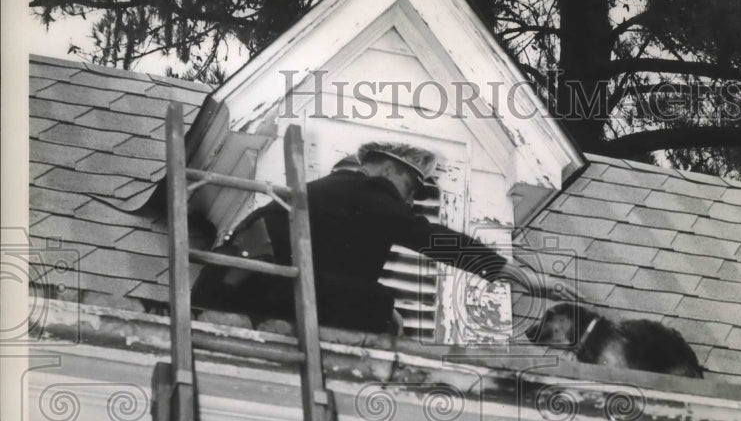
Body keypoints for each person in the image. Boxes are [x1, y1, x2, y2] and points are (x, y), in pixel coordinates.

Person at [191, 141, 519, 335]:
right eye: (410, 188)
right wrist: (503, 269)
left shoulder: (330, 191)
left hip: (227, 288)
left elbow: (326, 269)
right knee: (376, 302)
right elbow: (430, 237)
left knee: (374, 303)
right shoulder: (370, 193)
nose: (408, 202)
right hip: (250, 290)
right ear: (389, 170)